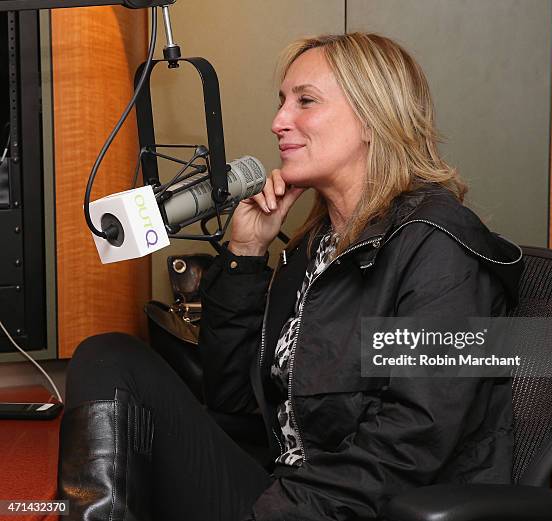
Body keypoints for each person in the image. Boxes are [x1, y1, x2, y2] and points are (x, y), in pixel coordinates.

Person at [57, 33, 523, 521]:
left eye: (306, 101)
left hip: (357, 508)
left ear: (373, 118)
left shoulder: (435, 243)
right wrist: (245, 253)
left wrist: (276, 513)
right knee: (108, 356)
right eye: (282, 102)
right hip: (286, 488)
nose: (279, 122)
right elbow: (234, 400)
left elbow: (416, 439)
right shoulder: (314, 244)